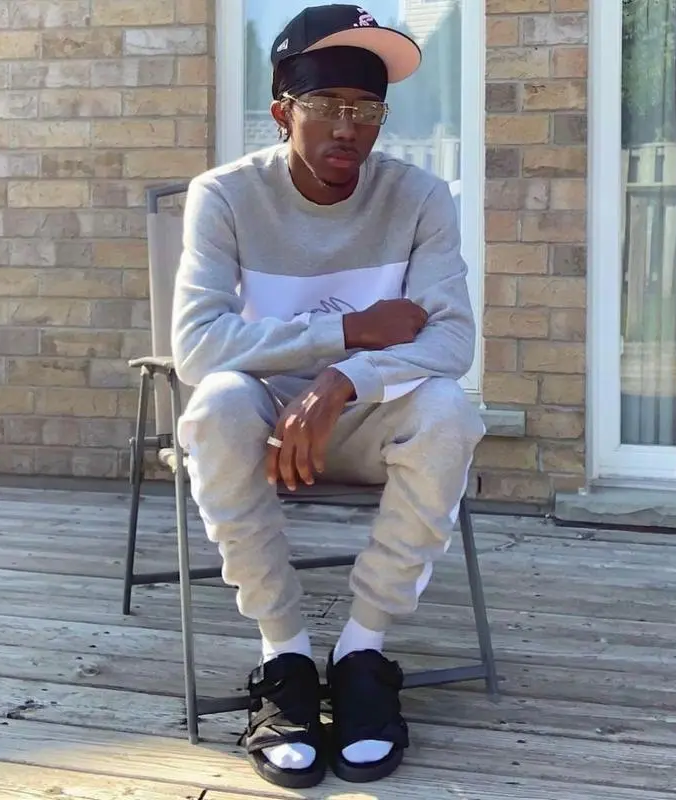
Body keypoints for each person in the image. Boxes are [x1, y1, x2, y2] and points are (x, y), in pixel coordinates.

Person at [170, 3, 485, 788]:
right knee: (215, 404)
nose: (349, 127)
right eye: (327, 105)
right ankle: (285, 658)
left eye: (367, 109)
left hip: (365, 417)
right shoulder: (225, 195)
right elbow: (197, 348)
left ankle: (361, 652)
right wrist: (347, 332)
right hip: (266, 424)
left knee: (450, 411)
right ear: (283, 111)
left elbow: (451, 342)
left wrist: (344, 380)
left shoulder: (419, 197)